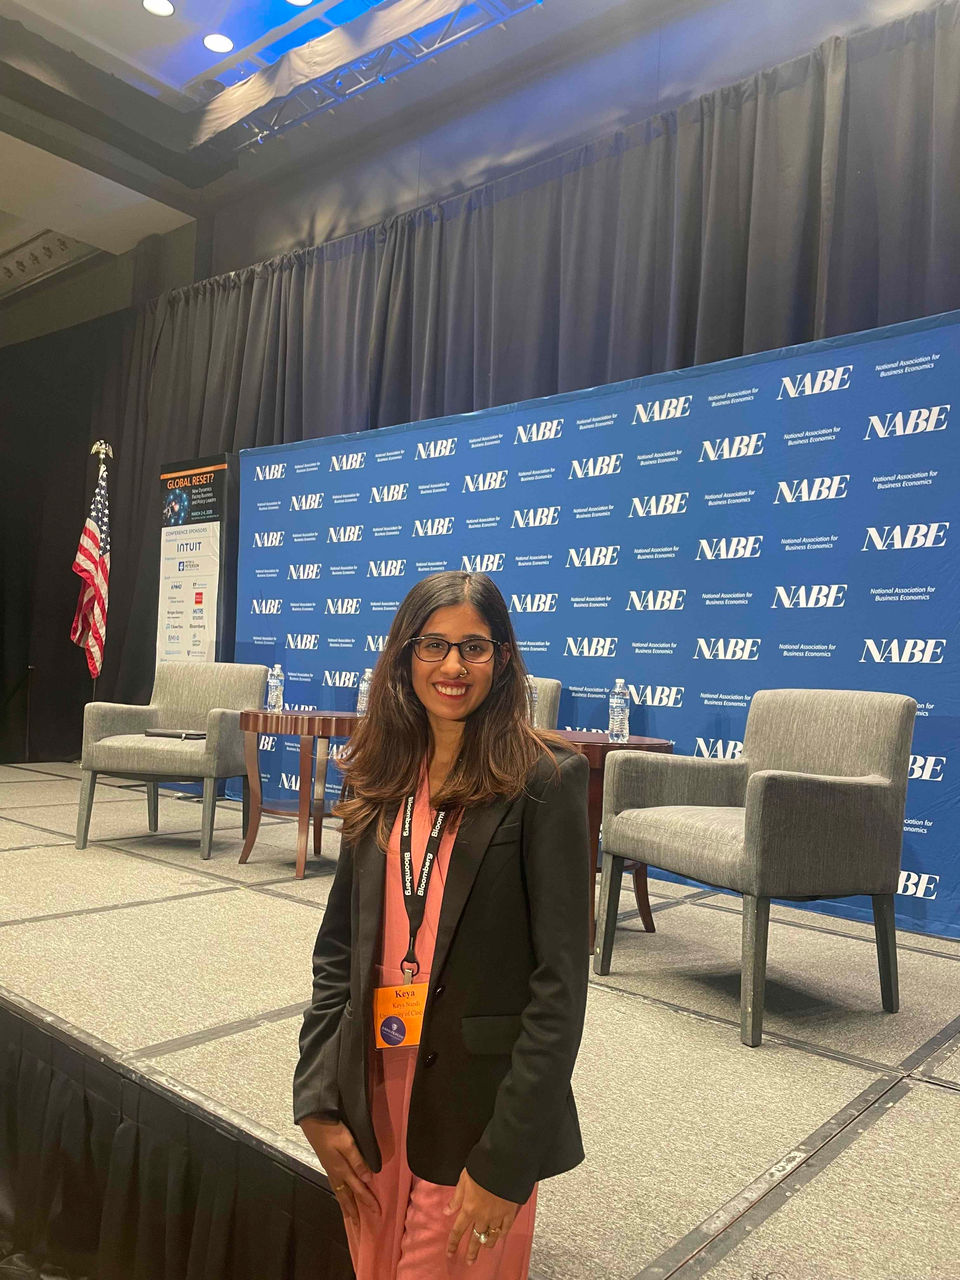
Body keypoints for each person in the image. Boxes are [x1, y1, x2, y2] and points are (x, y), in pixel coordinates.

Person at [293, 570, 590, 1278]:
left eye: (474, 647)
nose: (453, 666)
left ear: (503, 659)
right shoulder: (376, 772)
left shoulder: (546, 781)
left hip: (475, 1115)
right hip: (373, 1097)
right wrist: (316, 1095)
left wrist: (506, 1163)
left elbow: (560, 990)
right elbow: (337, 951)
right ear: (404, 656)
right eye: (433, 645)